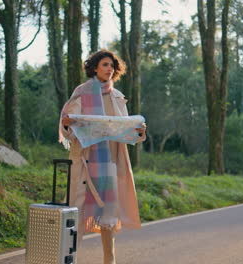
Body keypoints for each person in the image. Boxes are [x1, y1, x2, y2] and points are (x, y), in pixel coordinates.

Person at [58, 50, 146, 264]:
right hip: (85, 163)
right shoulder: (82, 92)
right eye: (105, 64)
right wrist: (67, 125)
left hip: (110, 164)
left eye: (112, 66)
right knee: (76, 212)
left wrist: (139, 131)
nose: (110, 69)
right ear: (95, 67)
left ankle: (110, 260)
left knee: (108, 215)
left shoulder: (117, 97)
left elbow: (126, 131)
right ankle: (68, 259)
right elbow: (69, 128)